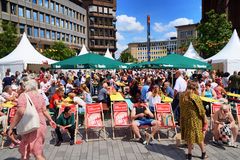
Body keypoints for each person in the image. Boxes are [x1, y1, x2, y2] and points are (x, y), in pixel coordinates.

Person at [8, 79, 56, 160]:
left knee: (27, 152)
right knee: (38, 151)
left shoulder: (23, 95)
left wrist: (11, 127)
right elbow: (44, 110)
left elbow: (20, 112)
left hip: (29, 124)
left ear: (26, 86)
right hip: (40, 124)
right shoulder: (40, 96)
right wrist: (50, 120)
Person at [179, 81, 208, 160]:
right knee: (199, 137)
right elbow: (201, 111)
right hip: (195, 120)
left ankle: (189, 154)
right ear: (195, 88)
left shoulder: (182, 96)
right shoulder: (195, 97)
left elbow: (180, 108)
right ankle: (203, 153)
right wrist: (205, 120)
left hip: (185, 119)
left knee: (189, 137)